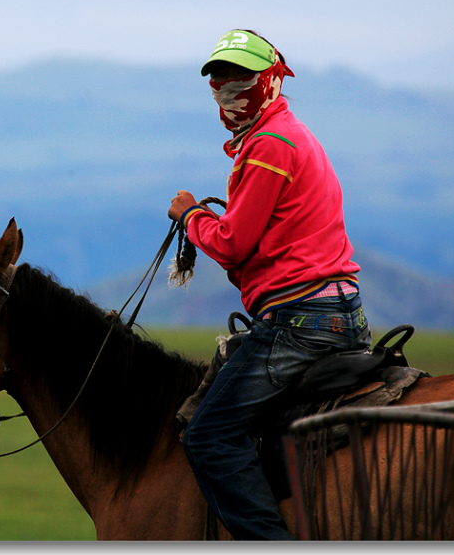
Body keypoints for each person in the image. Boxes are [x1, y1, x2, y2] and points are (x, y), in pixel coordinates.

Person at [167, 29, 372, 540]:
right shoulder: (293, 135)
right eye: (218, 77)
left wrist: (189, 213)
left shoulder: (268, 145)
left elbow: (233, 243)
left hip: (298, 322)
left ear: (271, 79)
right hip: (344, 312)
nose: (225, 87)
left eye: (239, 76)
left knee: (208, 437)